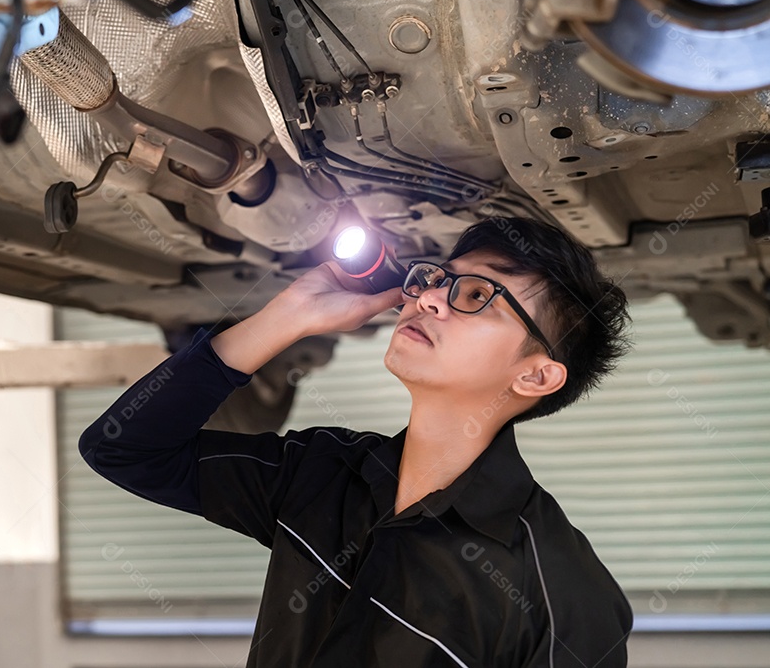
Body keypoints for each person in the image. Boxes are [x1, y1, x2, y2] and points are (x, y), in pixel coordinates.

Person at [78, 216, 634, 667]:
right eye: (439, 279)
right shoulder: (322, 472)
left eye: (475, 294)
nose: (430, 299)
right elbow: (122, 448)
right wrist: (286, 318)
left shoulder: (562, 597)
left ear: (535, 376)